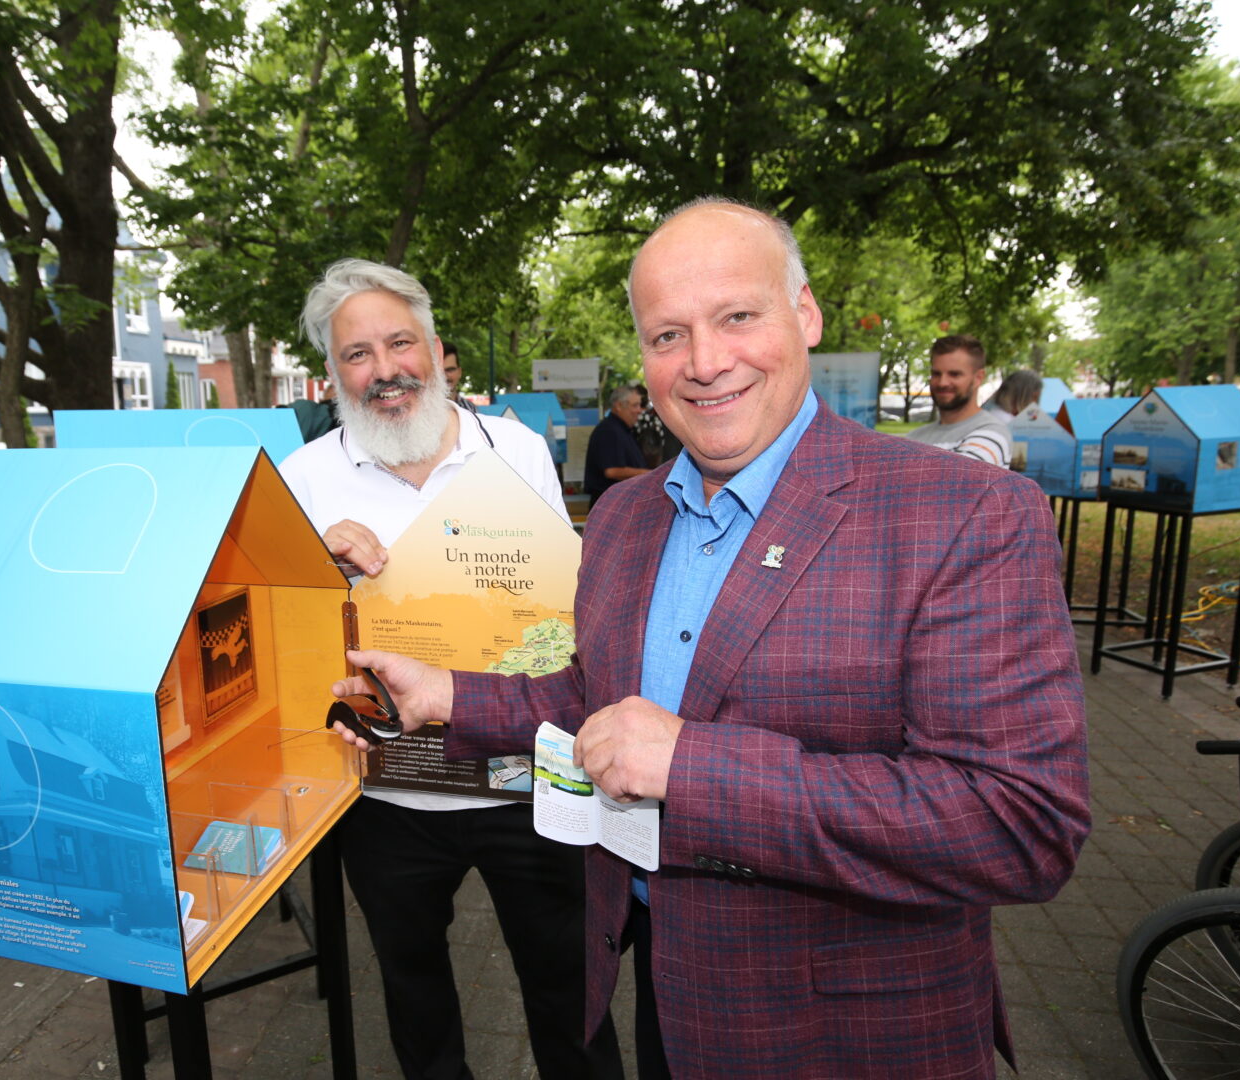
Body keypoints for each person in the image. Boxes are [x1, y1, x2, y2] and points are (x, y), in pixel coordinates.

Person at [329, 200, 1088, 1079]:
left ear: (804, 314)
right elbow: (596, 697)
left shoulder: (964, 514)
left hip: (852, 1034)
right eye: (667, 335)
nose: (705, 362)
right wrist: (446, 694)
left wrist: (690, 766)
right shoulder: (621, 517)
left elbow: (1018, 823)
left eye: (737, 317)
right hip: (665, 992)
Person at [277, 259, 623, 1080]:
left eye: (400, 342)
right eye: (357, 354)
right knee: (414, 995)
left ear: (433, 348)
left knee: (569, 990)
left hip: (520, 776)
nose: (385, 368)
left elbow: (558, 617)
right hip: (389, 793)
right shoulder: (300, 480)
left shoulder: (520, 453)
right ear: (331, 376)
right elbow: (285, 648)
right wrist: (314, 577)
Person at [907, 334, 1012, 467]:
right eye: (936, 374)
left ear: (979, 377)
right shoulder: (914, 436)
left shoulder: (993, 433)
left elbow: (957, 482)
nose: (942, 383)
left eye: (954, 374)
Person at [583, 386, 650, 504]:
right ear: (619, 406)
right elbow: (612, 471)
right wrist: (651, 474)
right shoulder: (609, 430)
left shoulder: (622, 430)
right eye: (635, 405)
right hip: (610, 505)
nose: (640, 410)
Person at [439, 339, 477, 411]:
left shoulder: (471, 409)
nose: (444, 376)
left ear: (459, 372)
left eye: (450, 370)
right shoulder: (421, 410)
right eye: (439, 371)